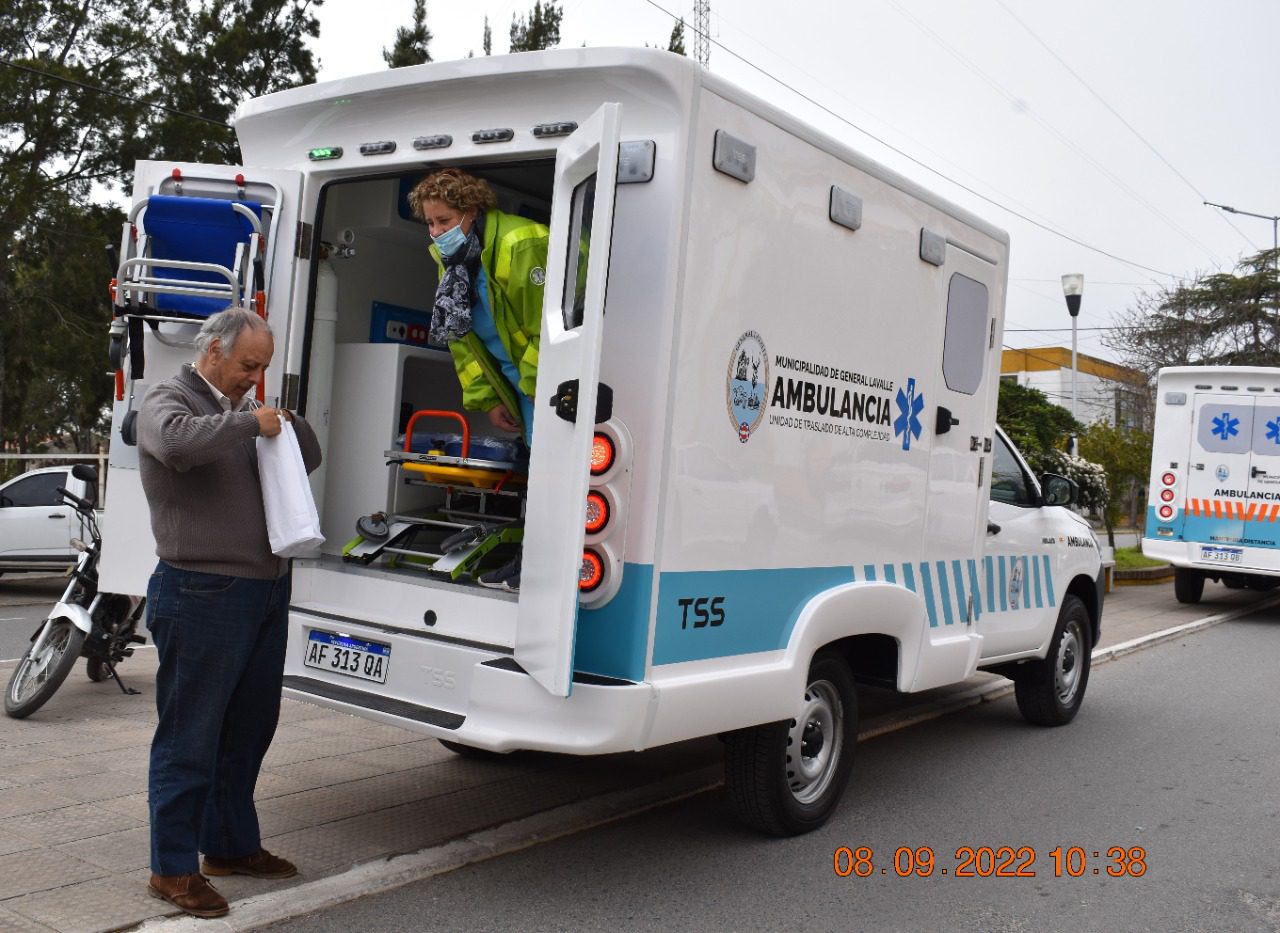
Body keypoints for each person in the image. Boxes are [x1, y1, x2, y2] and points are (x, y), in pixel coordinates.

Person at [138, 308, 321, 919]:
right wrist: (247, 425)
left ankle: (229, 847)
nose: (255, 377)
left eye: (263, 366)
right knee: (189, 738)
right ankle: (172, 869)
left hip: (263, 591)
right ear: (214, 351)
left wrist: (286, 424)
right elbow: (173, 443)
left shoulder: (243, 412)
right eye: (249, 365)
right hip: (201, 592)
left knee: (247, 731)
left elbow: (309, 458)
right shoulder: (170, 397)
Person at [408, 168, 550, 592]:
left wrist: (537, 387)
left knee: (555, 478)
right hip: (520, 385)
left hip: (549, 382)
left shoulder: (520, 244)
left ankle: (541, 567)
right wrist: (487, 398)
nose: (435, 232)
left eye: (444, 221)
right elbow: (462, 341)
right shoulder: (451, 262)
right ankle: (529, 559)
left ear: (471, 212)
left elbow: (548, 328)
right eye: (430, 223)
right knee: (535, 473)